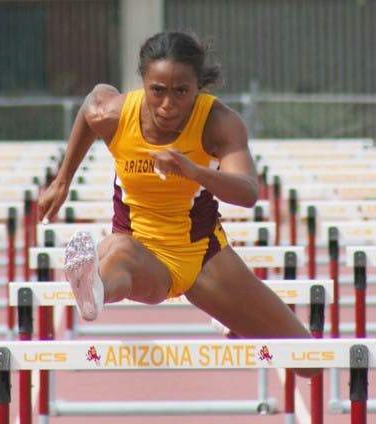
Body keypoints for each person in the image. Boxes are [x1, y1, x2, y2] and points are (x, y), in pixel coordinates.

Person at [38, 30, 318, 378]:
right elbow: (91, 103)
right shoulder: (113, 113)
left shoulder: (219, 123)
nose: (168, 105)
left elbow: (247, 193)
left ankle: (229, 319)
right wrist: (62, 181)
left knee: (309, 362)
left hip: (203, 256)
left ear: (197, 87)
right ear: (143, 82)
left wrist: (194, 170)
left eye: (181, 92)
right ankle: (93, 289)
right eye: (157, 91)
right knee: (120, 253)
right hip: (140, 247)